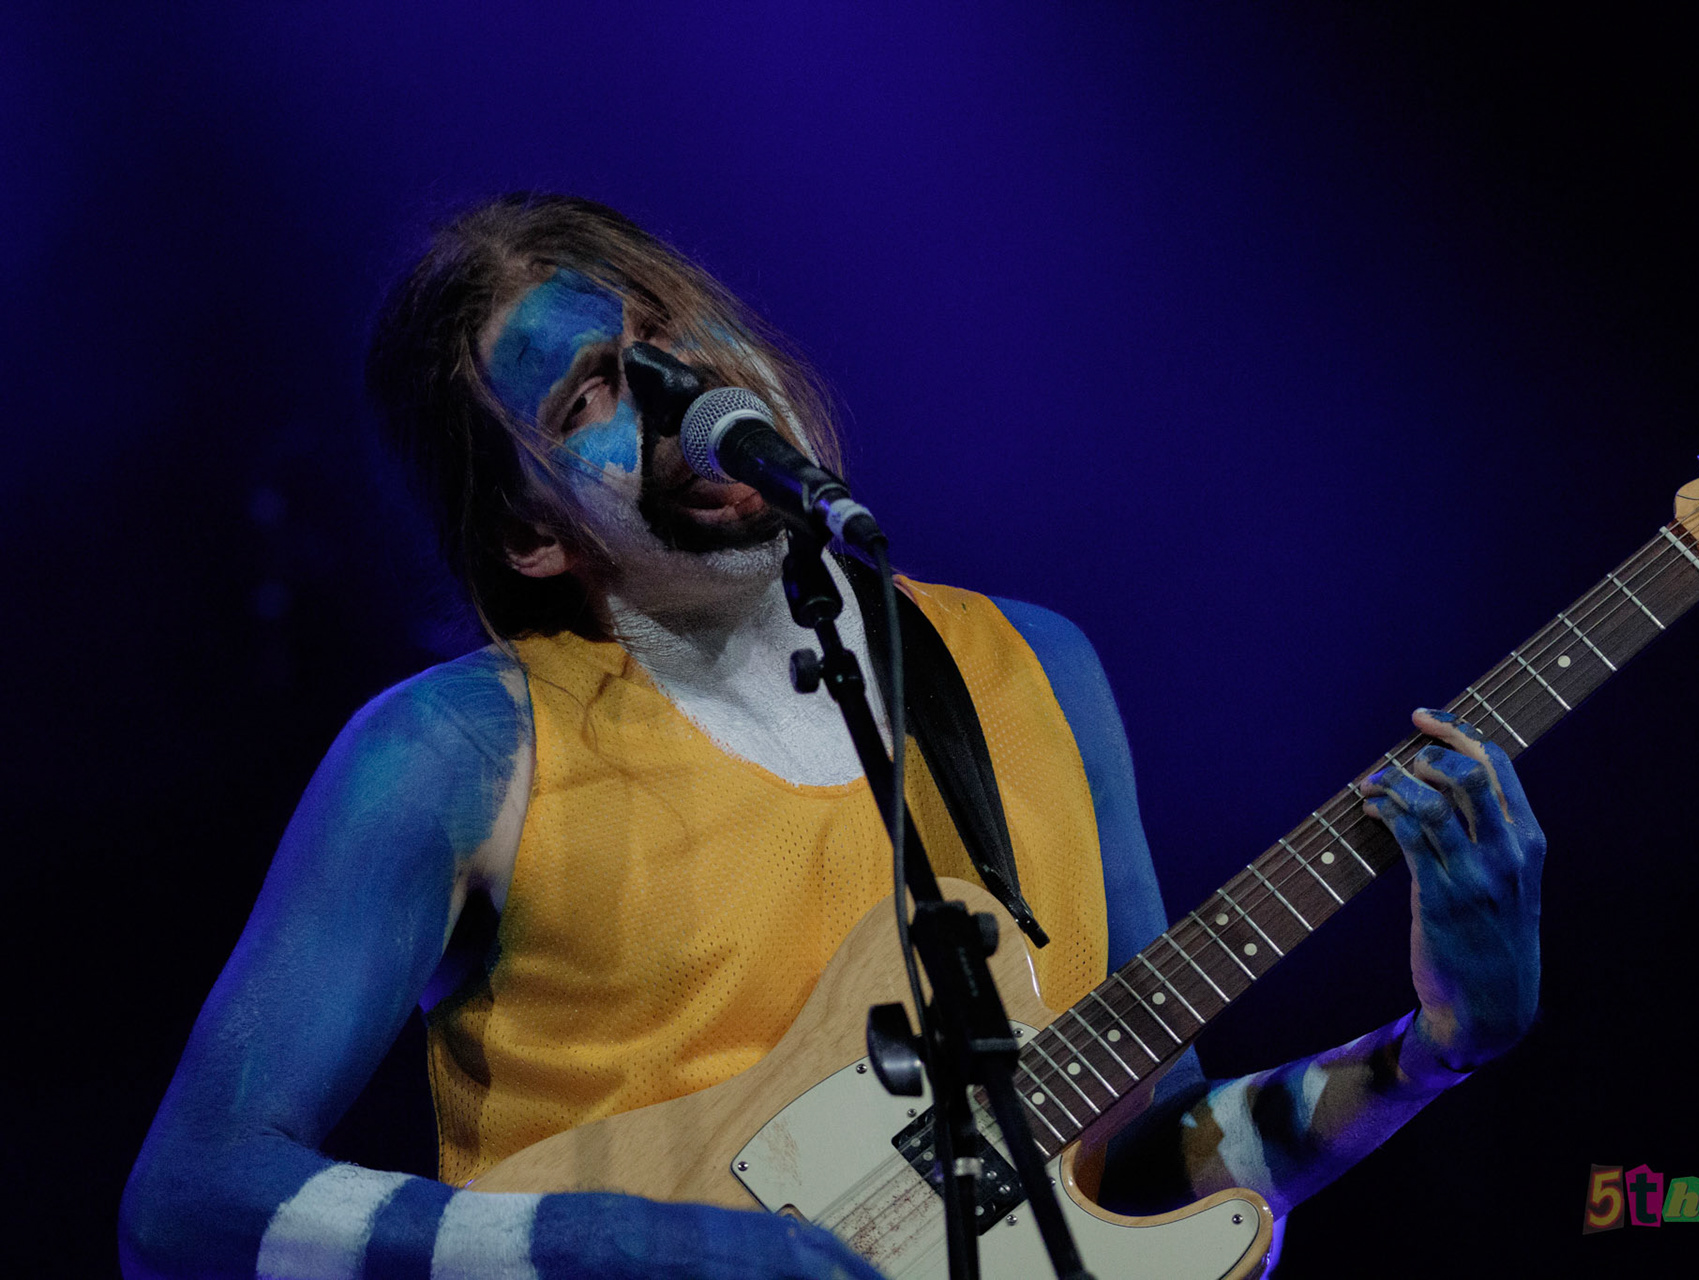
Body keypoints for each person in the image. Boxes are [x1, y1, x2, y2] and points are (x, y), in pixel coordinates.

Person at [120, 193, 1545, 1280]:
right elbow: (185, 1206)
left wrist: (1434, 1049)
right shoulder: (455, 754)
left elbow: (1144, 1170)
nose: (678, 391)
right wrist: (623, 1245)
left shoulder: (1038, 672)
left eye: (672, 332)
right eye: (592, 394)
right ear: (530, 533)